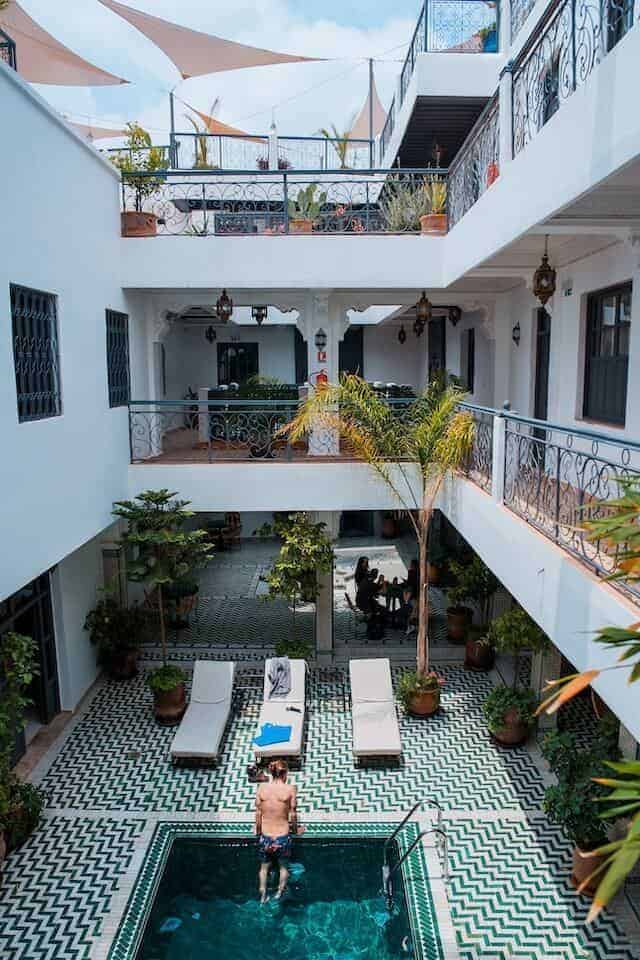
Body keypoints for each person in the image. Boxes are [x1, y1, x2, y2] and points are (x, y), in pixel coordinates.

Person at [255, 759, 303, 903]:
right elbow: (293, 814)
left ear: (271, 773)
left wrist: (258, 830)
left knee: (264, 868)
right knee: (283, 867)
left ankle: (263, 893)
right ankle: (279, 893)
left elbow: (258, 813)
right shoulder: (290, 789)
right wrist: (295, 830)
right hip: (282, 837)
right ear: (285, 774)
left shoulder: (262, 788)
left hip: (265, 836)